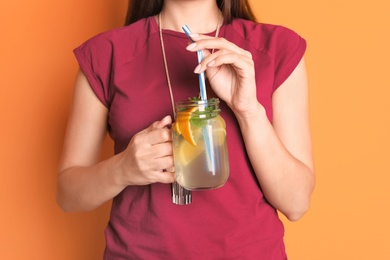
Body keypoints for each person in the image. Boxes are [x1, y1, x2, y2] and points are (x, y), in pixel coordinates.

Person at [57, 0, 315, 258]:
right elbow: (68, 195)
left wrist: (248, 110)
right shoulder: (105, 54)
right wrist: (123, 168)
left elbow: (296, 203)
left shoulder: (278, 48)